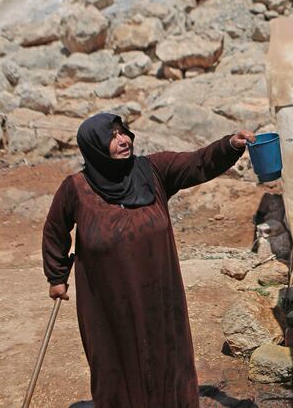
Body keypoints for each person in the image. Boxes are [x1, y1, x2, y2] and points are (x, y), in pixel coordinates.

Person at [42, 112, 255, 407]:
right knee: (115, 364)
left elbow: (197, 163)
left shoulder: (153, 170)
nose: (123, 139)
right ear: (93, 146)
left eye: (123, 132)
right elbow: (55, 229)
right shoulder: (75, 188)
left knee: (167, 357)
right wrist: (56, 277)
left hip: (160, 296)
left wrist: (229, 145)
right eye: (112, 136)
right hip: (106, 304)